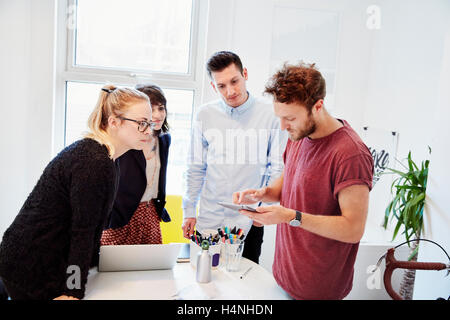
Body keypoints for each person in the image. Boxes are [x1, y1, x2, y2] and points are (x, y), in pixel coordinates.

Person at [233, 62, 374, 299]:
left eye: (289, 118)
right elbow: (290, 180)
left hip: (320, 290)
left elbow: (353, 229)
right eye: (279, 117)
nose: (282, 126)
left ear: (318, 106)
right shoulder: (298, 135)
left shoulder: (350, 154)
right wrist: (262, 193)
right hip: (284, 278)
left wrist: (291, 216)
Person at [0, 85, 152, 300]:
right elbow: (83, 231)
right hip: (30, 264)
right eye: (142, 123)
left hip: (38, 257)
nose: (149, 130)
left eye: (151, 123)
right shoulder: (94, 161)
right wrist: (73, 291)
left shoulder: (103, 156)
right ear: (114, 122)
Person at [182, 51, 286, 263]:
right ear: (213, 86)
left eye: (234, 81)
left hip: (249, 220)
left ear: (245, 74)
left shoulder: (271, 114)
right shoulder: (204, 115)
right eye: (221, 86)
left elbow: (277, 167)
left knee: (243, 287)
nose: (230, 91)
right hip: (208, 218)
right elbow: (195, 167)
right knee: (204, 282)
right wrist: (189, 210)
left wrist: (263, 210)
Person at [101, 84, 171, 245]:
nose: (158, 115)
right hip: (121, 215)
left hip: (151, 212)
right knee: (115, 266)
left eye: (161, 108)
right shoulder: (127, 139)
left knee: (150, 265)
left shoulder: (164, 139)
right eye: (151, 110)